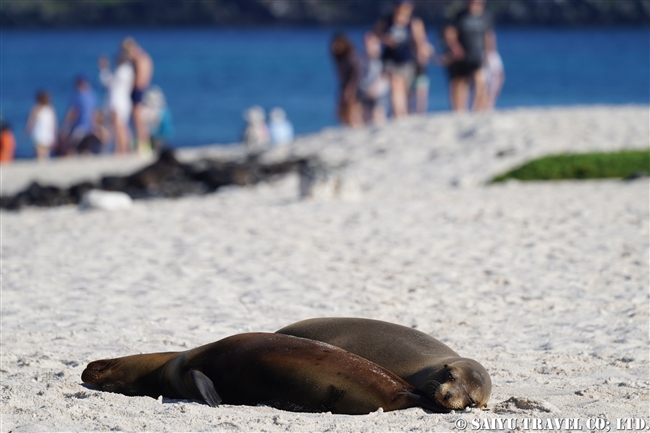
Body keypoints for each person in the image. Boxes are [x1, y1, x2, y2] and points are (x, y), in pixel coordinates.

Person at [376, 0, 433, 119]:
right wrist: (385, 39)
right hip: (390, 59)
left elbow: (420, 41)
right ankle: (397, 114)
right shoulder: (387, 21)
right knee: (395, 85)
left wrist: (423, 56)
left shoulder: (414, 22)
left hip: (408, 60)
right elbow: (376, 34)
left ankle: (405, 114)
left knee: (407, 92)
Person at [444, 0, 495, 112]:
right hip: (462, 56)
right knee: (461, 82)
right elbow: (450, 32)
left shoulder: (485, 16)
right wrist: (455, 48)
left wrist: (489, 53)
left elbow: (488, 35)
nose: (475, 5)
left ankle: (477, 109)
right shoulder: (460, 16)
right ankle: (459, 111)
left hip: (477, 55)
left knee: (480, 80)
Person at [122, 37, 154, 155]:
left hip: (138, 90)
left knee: (138, 120)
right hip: (141, 90)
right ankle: (143, 145)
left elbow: (139, 80)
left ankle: (142, 145)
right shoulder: (145, 58)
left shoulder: (140, 59)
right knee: (139, 120)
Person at [99, 49, 135, 155]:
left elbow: (110, 83)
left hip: (118, 102)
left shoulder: (124, 70)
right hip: (121, 101)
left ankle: (121, 149)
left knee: (119, 126)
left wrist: (104, 69)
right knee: (121, 126)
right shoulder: (127, 70)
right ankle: (122, 148)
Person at [330, 33, 362, 127]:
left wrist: (351, 87)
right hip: (344, 87)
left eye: (339, 44)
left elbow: (357, 73)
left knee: (352, 112)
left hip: (353, 87)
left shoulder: (351, 56)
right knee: (341, 113)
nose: (336, 47)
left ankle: (356, 129)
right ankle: (352, 128)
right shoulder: (340, 58)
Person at [357, 32, 389, 125]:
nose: (368, 46)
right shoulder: (363, 59)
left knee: (378, 116)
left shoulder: (382, 58)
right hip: (365, 92)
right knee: (365, 117)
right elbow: (361, 76)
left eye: (371, 43)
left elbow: (385, 76)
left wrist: (374, 89)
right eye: (366, 44)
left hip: (378, 93)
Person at [60, 75, 96, 155]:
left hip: (80, 128)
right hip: (90, 128)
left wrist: (65, 127)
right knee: (86, 149)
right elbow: (94, 113)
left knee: (70, 147)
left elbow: (72, 113)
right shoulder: (92, 95)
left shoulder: (77, 96)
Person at [25, 90, 57, 160]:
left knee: (39, 154)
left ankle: (41, 166)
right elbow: (54, 124)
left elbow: (30, 122)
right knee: (46, 154)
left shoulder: (36, 109)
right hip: (48, 134)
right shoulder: (50, 109)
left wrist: (27, 131)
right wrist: (55, 134)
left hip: (38, 134)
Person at [142, 85, 174, 152]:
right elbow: (168, 129)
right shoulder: (164, 111)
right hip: (151, 137)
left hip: (156, 138)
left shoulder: (144, 110)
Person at [483, 31, 504, 110]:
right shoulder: (490, 55)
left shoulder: (493, 55)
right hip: (487, 55)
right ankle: (486, 105)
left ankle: (488, 105)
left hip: (490, 55)